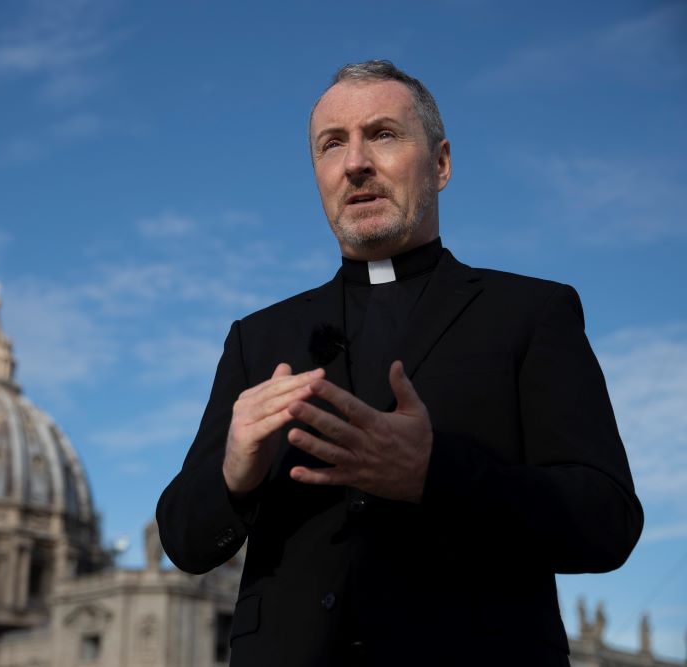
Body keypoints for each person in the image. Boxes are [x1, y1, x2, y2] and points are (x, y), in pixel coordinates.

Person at [155, 60, 642, 667]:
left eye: (382, 134)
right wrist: (234, 472)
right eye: (332, 144)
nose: (355, 161)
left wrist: (436, 474)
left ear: (440, 165)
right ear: (318, 175)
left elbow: (607, 520)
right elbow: (183, 539)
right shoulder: (258, 338)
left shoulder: (532, 312)